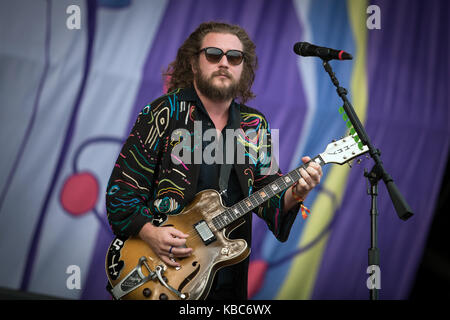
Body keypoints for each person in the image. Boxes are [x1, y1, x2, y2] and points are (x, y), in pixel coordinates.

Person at [106, 21, 322, 300]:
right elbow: (121, 191)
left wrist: (297, 191)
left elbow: (269, 194)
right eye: (213, 54)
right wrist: (149, 232)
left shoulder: (254, 124)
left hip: (227, 277)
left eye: (234, 57)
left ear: (243, 68)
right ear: (194, 64)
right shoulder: (163, 112)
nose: (224, 62)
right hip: (160, 270)